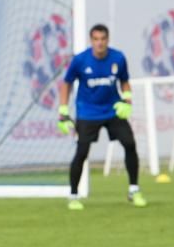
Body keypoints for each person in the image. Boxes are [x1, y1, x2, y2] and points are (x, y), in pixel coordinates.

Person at [58, 23, 147, 211]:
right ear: (91, 41)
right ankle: (73, 195)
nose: (100, 43)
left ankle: (134, 189)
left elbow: (124, 81)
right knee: (82, 152)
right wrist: (63, 111)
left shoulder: (118, 58)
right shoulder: (80, 61)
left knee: (130, 144)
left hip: (112, 110)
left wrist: (127, 100)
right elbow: (66, 83)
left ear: (108, 40)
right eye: (96, 39)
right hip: (88, 112)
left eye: (103, 39)